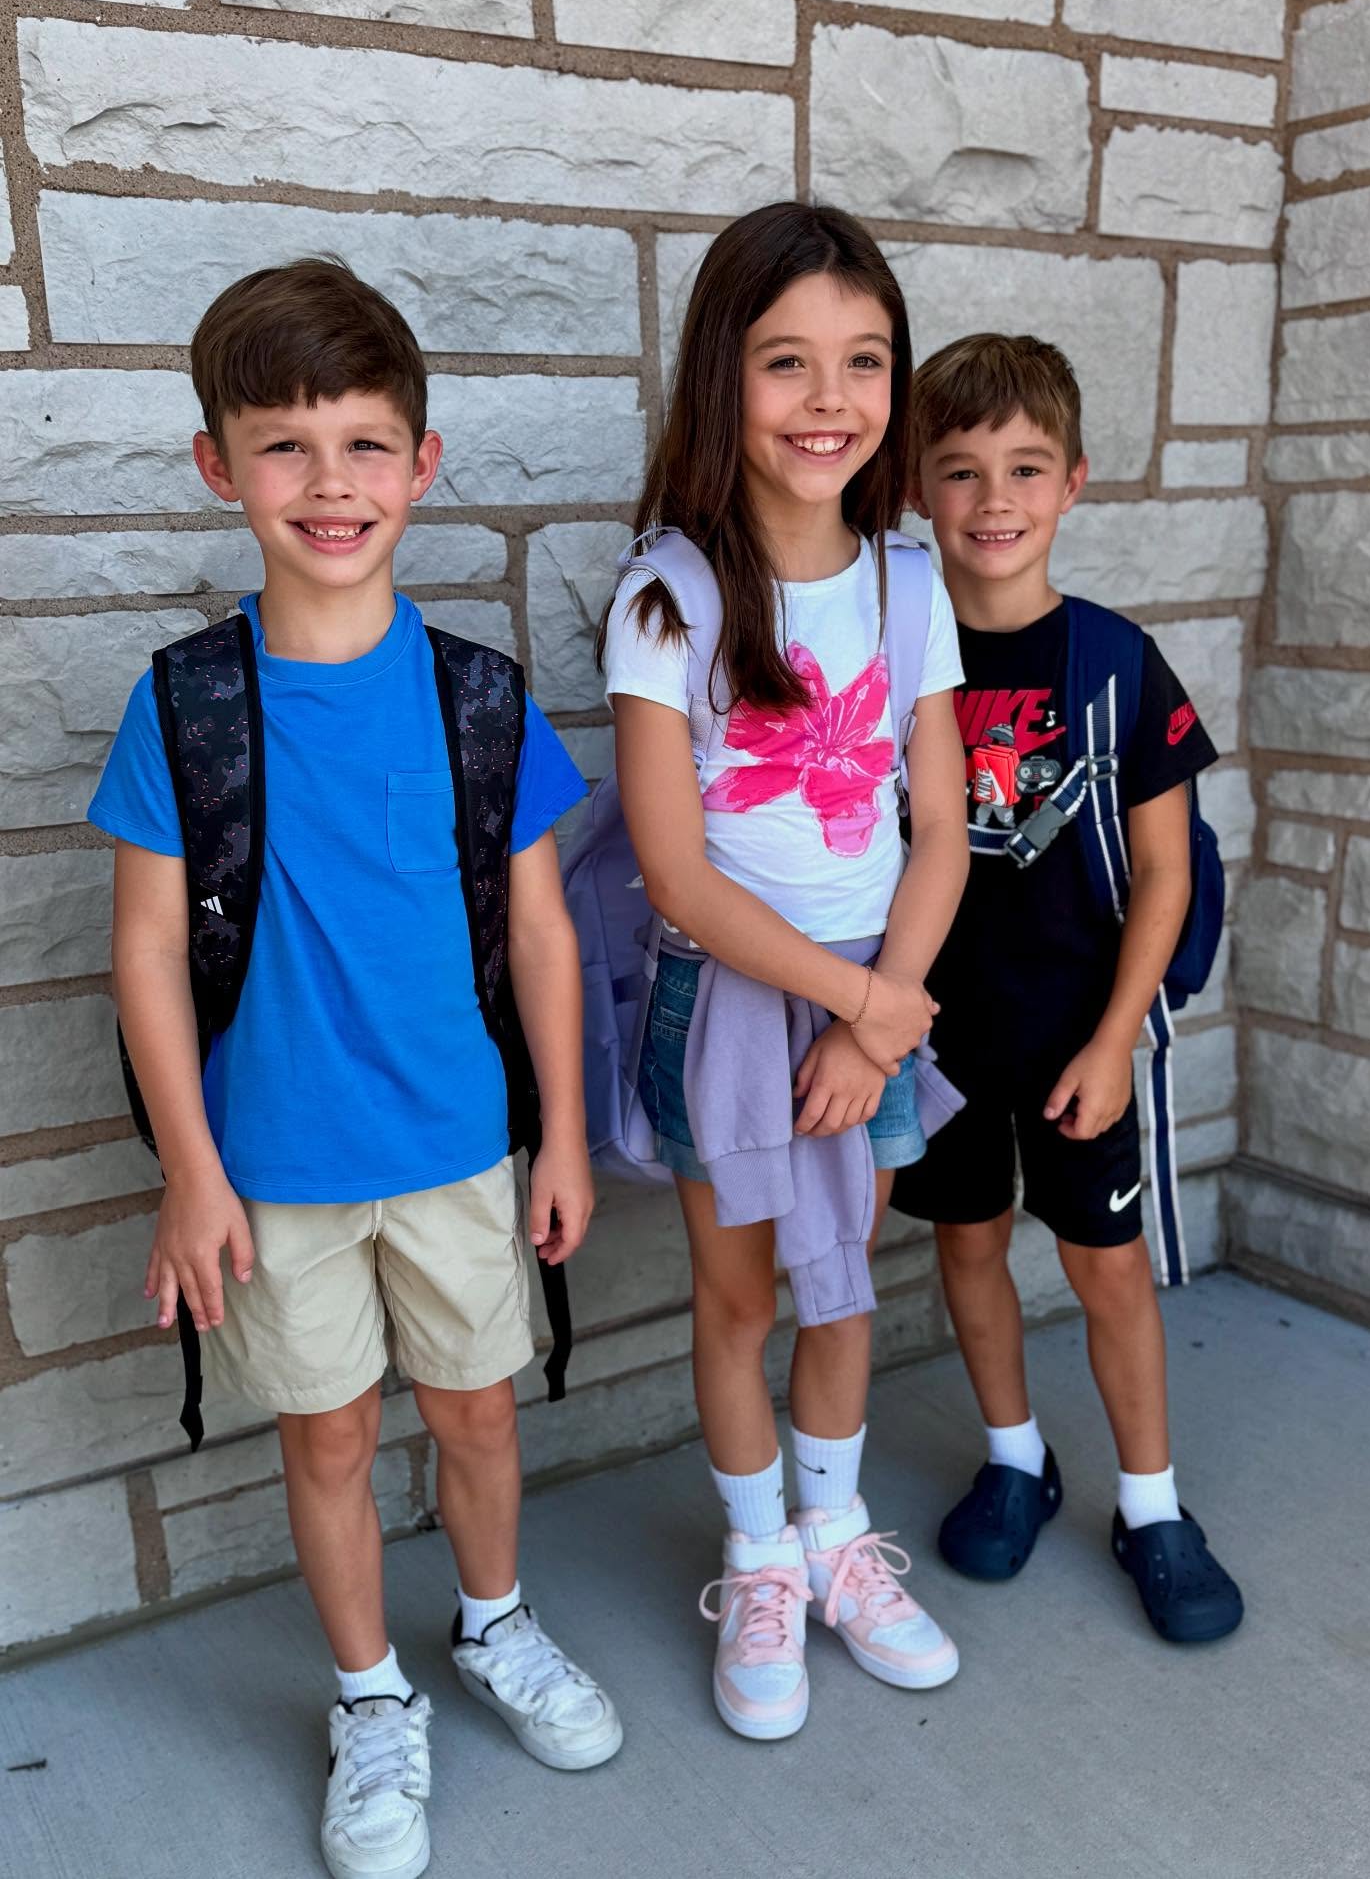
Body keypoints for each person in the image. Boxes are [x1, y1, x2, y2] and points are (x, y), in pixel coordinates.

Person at [89, 257, 622, 1879]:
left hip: (463, 1143)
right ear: (217, 466)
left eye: (365, 444)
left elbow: (543, 939)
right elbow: (144, 955)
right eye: (285, 446)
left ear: (423, 462)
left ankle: (492, 1622)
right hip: (271, 1170)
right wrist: (191, 1170)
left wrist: (567, 1137)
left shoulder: (480, 699)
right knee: (324, 1435)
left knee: (475, 1412)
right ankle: (370, 1694)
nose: (331, 485)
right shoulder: (185, 705)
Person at [597, 201, 971, 1741]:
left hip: (875, 1001)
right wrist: (864, 1005)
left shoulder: (907, 573)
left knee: (844, 1289)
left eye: (864, 361)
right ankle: (758, 1558)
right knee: (742, 1291)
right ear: (720, 381)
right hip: (733, 1009)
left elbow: (940, 824)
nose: (830, 398)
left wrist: (880, 1015)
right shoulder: (667, 593)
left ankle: (835, 1539)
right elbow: (675, 869)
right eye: (787, 363)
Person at [892, 332, 1244, 1643]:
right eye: (964, 470)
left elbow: (1164, 872)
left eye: (1026, 468)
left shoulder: (1115, 663)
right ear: (918, 489)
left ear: (1074, 483)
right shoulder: (899, 664)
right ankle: (1016, 1455)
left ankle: (1151, 1504)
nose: (995, 500)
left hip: (1078, 1034)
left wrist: (1112, 1038)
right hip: (936, 1037)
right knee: (969, 1245)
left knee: (1106, 1270)